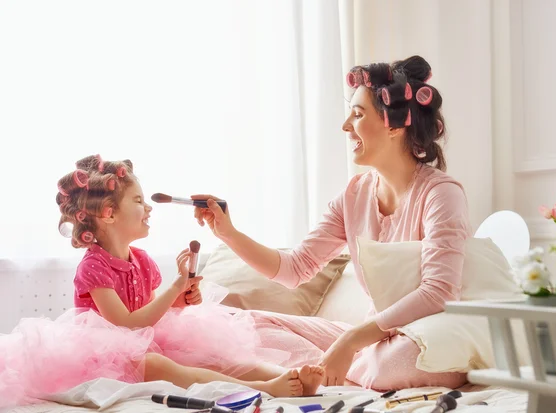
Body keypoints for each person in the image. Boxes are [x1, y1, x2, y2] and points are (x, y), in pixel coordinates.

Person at [192, 56, 471, 391]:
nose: (345, 126)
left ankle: (329, 368)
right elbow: (294, 268)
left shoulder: (441, 194)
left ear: (395, 126)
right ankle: (330, 368)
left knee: (398, 360)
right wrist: (229, 233)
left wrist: (350, 342)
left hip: (425, 339)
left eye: (358, 114)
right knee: (242, 323)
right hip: (372, 341)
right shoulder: (354, 195)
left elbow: (438, 294)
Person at [0, 155, 324, 409]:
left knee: (218, 359)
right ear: (109, 215)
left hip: (149, 341)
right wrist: (173, 289)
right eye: (138, 201)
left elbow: (154, 313)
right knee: (167, 367)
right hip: (109, 355)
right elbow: (126, 325)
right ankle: (265, 389)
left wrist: (181, 300)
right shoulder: (93, 269)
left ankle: (285, 376)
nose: (149, 207)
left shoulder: (141, 259)